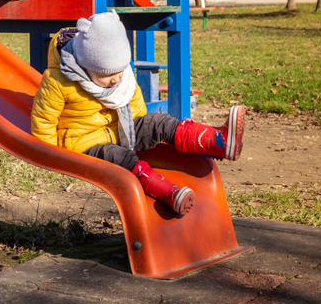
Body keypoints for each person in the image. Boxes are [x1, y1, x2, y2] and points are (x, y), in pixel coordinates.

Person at [30, 12, 245, 216]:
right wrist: (48, 154)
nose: (116, 79)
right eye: (107, 76)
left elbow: (133, 100)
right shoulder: (59, 81)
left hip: (122, 129)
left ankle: (218, 141)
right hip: (85, 143)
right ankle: (168, 193)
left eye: (119, 73)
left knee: (158, 122)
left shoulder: (119, 73)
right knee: (121, 158)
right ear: (85, 66)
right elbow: (44, 118)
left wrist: (143, 126)